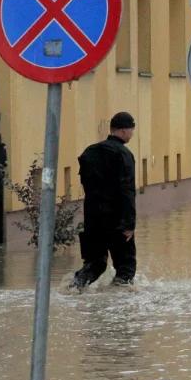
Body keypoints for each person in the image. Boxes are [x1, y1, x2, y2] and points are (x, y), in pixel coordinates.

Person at [72, 112, 137, 288]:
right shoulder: (124, 155)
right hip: (117, 220)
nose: (132, 134)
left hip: (93, 219)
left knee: (94, 265)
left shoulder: (90, 152)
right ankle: (120, 309)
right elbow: (127, 191)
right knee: (125, 268)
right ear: (123, 131)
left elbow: (86, 185)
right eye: (131, 130)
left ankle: (72, 289)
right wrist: (129, 224)